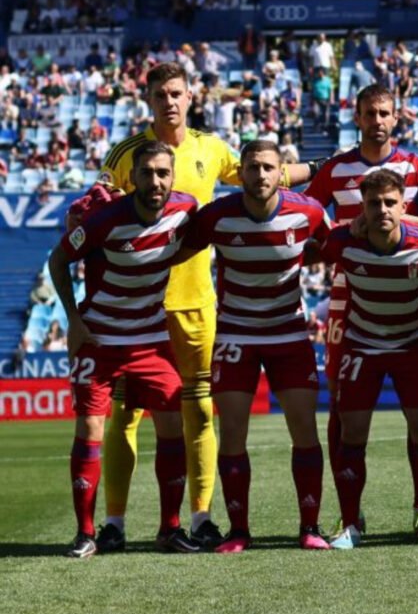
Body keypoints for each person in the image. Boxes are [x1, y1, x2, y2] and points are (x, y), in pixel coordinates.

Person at [83, 62, 315, 554]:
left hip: (198, 306)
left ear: (191, 97)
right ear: (147, 99)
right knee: (126, 415)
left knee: (200, 412)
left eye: (177, 93)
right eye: (160, 93)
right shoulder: (129, 154)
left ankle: (202, 517)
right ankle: (115, 522)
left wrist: (319, 168)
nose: (170, 101)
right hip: (140, 311)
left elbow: (262, 174)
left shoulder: (212, 148)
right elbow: (99, 201)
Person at [304, 83, 418, 538]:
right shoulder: (338, 167)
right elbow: (306, 211)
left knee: (417, 413)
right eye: (370, 113)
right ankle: (351, 514)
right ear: (358, 117)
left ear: (395, 117)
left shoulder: (413, 166)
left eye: (385, 113)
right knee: (345, 413)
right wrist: (344, 230)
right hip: (349, 299)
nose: (377, 120)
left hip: (402, 294)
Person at [175, 141, 331, 553]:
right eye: (252, 168)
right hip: (235, 335)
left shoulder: (308, 211)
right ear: (239, 173)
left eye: (268, 168)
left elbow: (332, 247)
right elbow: (176, 252)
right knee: (232, 437)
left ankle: (310, 527)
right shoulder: (216, 216)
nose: (260, 175)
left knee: (304, 431)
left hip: (289, 333)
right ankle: (239, 531)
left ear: (281, 172)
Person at [50, 141, 200, 558]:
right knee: (91, 430)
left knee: (174, 426)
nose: (156, 181)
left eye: (163, 173)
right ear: (131, 178)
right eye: (148, 173)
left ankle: (170, 529)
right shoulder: (103, 220)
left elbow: (207, 236)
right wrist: (74, 321)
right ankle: (86, 534)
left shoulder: (186, 211)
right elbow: (57, 261)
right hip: (98, 340)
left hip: (151, 339)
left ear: (173, 177)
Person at [320, 169, 418, 549]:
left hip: (412, 347)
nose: (382, 209)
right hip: (361, 347)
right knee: (352, 435)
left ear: (404, 205)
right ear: (362, 206)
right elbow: (321, 247)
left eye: (390, 202)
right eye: (374, 203)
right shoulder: (343, 242)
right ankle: (350, 525)